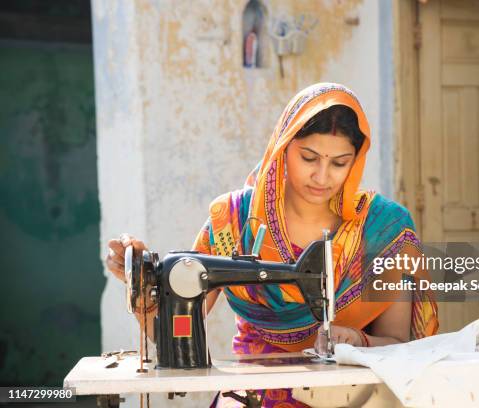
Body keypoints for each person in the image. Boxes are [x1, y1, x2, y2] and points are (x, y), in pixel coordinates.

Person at [106, 83, 439, 407]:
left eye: (339, 163)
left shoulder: (384, 232)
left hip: (348, 395)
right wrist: (143, 289)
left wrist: (357, 340)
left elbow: (398, 346)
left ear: (356, 161)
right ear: (283, 147)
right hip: (253, 392)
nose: (322, 177)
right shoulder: (234, 221)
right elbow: (172, 336)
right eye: (309, 157)